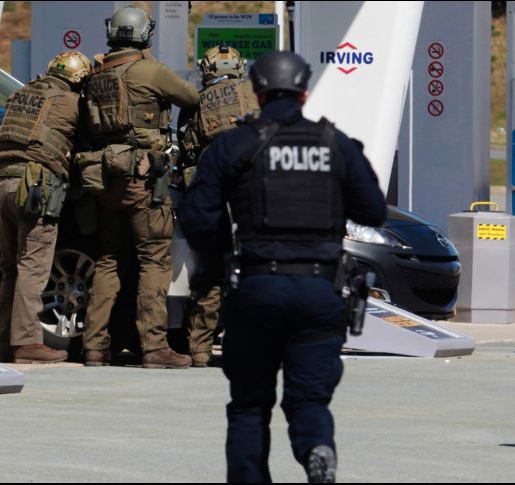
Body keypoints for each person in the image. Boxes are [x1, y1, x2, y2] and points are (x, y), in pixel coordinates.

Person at [178, 51, 387, 482]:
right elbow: (374, 211)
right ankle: (316, 448)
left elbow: (197, 217)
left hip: (258, 288)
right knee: (309, 400)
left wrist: (213, 263)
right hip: (320, 290)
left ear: (256, 92)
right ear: (305, 92)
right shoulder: (334, 144)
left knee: (250, 405)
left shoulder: (235, 144)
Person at [80, 5, 199, 368]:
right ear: (145, 35)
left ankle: (95, 347)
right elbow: (191, 99)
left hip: (104, 179)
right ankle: (154, 347)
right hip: (143, 179)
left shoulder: (96, 72)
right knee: (153, 261)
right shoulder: (150, 70)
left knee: (108, 260)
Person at [0, 50, 91, 364]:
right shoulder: (72, 103)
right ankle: (28, 343)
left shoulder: (20, 95)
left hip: (3, 181)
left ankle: (7, 341)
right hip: (35, 187)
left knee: (9, 268)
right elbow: (86, 140)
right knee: (33, 267)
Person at [177, 45, 259, 368]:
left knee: (210, 269)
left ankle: (199, 348)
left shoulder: (196, 103)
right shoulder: (255, 91)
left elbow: (186, 150)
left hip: (209, 185)